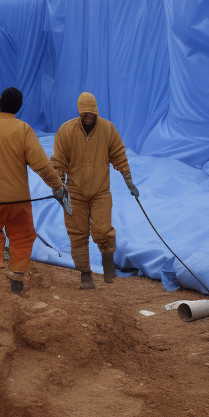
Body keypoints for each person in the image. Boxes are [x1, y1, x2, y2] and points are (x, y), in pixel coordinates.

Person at [0, 86, 67, 294]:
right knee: (22, 236)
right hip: (20, 201)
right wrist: (57, 186)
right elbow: (41, 164)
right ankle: (17, 277)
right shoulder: (24, 130)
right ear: (18, 107)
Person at [51, 92, 138, 289]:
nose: (88, 116)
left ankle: (108, 269)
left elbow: (119, 155)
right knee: (78, 233)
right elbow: (58, 162)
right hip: (74, 192)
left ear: (96, 112)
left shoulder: (107, 129)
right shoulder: (66, 131)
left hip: (100, 191)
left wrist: (129, 182)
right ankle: (85, 275)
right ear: (80, 113)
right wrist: (58, 186)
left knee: (102, 230)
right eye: (85, 113)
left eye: (92, 113)